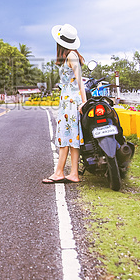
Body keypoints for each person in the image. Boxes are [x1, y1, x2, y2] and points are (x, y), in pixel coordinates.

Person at [42, 23, 87, 184]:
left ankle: (59, 172)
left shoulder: (71, 56)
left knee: (64, 137)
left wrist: (84, 103)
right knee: (72, 138)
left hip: (71, 102)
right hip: (68, 101)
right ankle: (73, 173)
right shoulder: (70, 56)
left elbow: (80, 81)